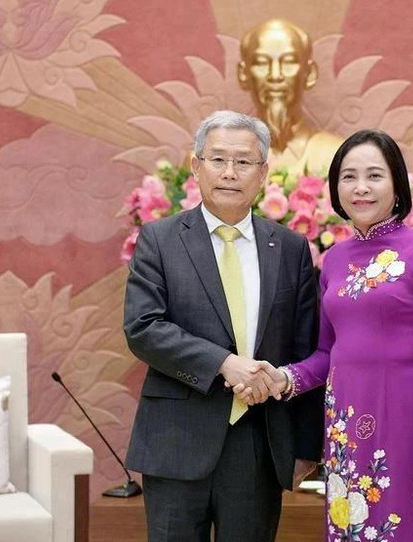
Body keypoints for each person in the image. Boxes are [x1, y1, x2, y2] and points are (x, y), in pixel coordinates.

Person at [234, 129, 413, 541]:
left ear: (396, 184)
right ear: (336, 188)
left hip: (408, 429)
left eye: (374, 176)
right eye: (349, 177)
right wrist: (283, 378)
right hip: (346, 430)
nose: (361, 188)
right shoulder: (335, 259)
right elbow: (327, 352)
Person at [122, 110, 323, 542]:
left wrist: (307, 446)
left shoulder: (289, 248)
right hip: (176, 440)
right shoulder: (159, 239)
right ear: (196, 166)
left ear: (263, 172)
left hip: (257, 444)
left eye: (244, 162)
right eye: (218, 159)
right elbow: (143, 327)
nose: (230, 173)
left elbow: (309, 349)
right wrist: (223, 364)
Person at [239, 18, 343, 176]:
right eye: (261, 63)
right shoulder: (213, 163)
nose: (275, 75)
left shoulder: (337, 156)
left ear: (309, 73)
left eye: (288, 62)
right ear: (243, 74)